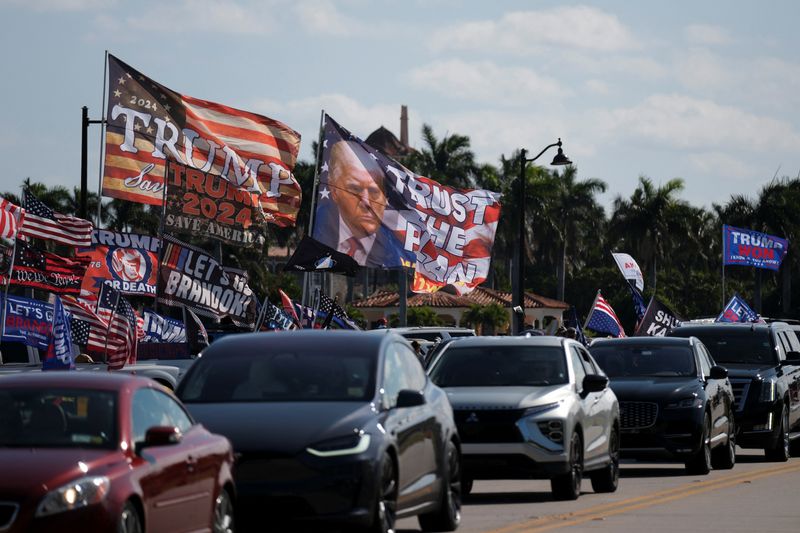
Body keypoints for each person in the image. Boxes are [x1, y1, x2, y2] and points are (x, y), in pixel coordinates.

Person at [313, 140, 415, 267]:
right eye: (355, 189)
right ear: (334, 192)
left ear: (385, 198)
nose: (366, 202)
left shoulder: (396, 249)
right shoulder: (323, 233)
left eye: (373, 191)